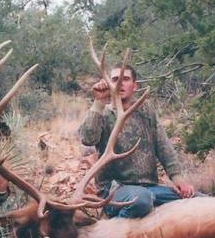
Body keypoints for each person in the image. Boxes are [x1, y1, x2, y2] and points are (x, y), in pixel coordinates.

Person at [78, 64, 196, 219]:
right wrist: (99, 102)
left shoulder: (146, 112)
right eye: (114, 79)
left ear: (134, 86)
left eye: (125, 79)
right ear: (108, 83)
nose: (119, 82)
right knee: (141, 200)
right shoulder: (103, 114)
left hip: (150, 189)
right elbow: (87, 139)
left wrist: (178, 179)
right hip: (114, 190)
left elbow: (164, 147)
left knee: (198, 200)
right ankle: (113, 233)